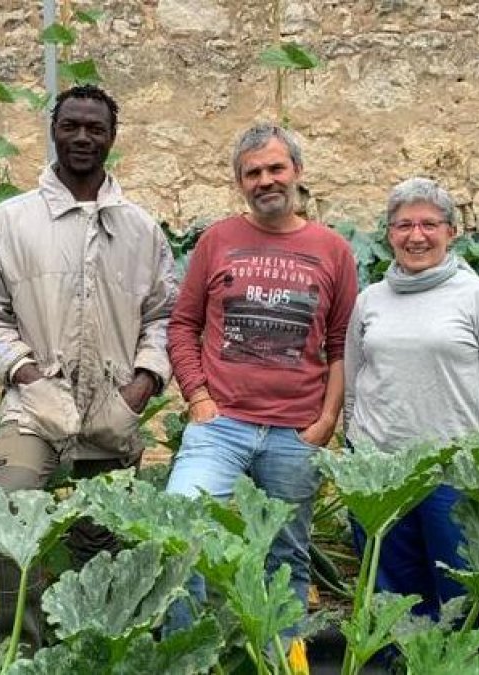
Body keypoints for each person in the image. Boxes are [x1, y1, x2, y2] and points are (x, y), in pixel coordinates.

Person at [0, 84, 176, 649]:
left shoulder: (141, 229)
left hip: (111, 411)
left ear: (112, 138)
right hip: (35, 409)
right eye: (71, 125)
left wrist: (138, 389)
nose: (83, 137)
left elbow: (165, 318)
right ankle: (24, 648)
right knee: (7, 508)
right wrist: (28, 377)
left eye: (95, 128)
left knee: (106, 540)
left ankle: (93, 646)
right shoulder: (13, 221)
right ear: (53, 130)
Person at [165, 123, 358, 639]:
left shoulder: (333, 250)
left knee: (286, 560)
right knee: (180, 531)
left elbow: (341, 344)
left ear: (297, 172)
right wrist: (198, 397)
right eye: (253, 172)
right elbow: (183, 324)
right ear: (240, 182)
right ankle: (185, 660)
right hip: (220, 424)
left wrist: (326, 420)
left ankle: (281, 664)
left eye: (276, 168)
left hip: (295, 434)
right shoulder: (217, 241)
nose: (266, 180)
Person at [343, 176, 479, 622]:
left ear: (451, 232)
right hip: (382, 473)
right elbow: (353, 379)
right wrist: (356, 447)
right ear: (389, 234)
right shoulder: (370, 301)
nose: (416, 236)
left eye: (429, 224)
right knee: (395, 607)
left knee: (465, 596)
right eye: (404, 225)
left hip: (454, 475)